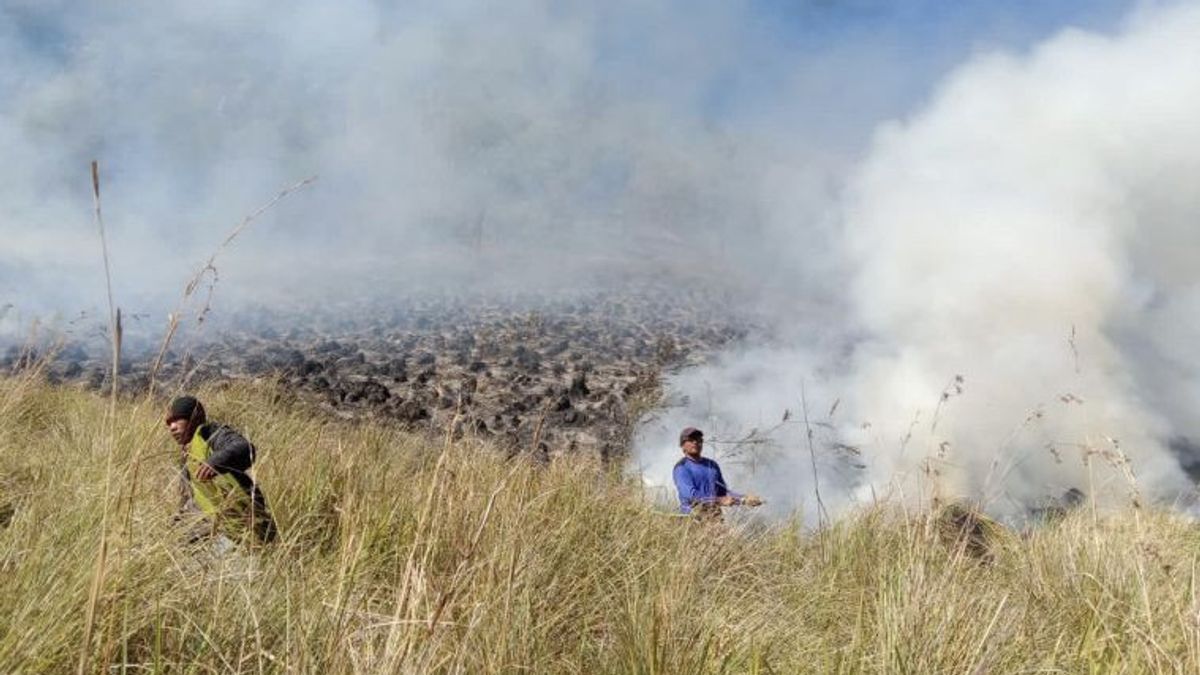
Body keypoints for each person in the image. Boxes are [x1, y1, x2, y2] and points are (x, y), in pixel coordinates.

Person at [165, 395, 277, 545]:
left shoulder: (210, 434)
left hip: (242, 520)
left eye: (178, 419)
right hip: (211, 519)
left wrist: (215, 462)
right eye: (169, 423)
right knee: (174, 540)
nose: (172, 427)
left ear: (195, 418)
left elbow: (245, 448)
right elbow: (190, 498)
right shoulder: (187, 456)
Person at [672, 427, 761, 517]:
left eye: (698, 439)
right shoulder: (682, 468)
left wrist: (743, 499)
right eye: (691, 440)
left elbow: (723, 492)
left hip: (715, 518)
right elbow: (690, 496)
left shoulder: (712, 465)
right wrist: (719, 500)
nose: (695, 442)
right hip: (693, 519)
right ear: (683, 445)